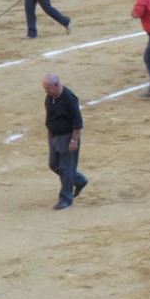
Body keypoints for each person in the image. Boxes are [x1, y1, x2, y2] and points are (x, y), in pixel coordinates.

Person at [42, 72, 89, 210]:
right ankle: (78, 180)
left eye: (48, 88)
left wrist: (74, 141)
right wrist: (49, 135)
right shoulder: (50, 97)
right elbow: (49, 118)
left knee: (66, 168)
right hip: (54, 135)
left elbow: (78, 122)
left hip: (67, 136)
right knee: (53, 164)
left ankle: (66, 199)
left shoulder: (69, 98)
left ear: (56, 85)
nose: (46, 91)